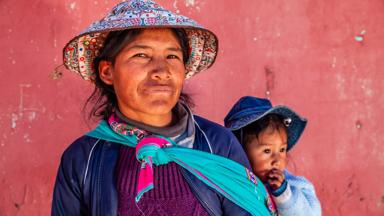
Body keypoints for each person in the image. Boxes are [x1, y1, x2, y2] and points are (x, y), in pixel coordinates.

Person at [52, 1, 276, 215]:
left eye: (172, 56)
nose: (162, 70)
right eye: (141, 55)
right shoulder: (82, 160)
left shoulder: (218, 144)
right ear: (107, 72)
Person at [224, 96, 322, 216]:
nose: (277, 160)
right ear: (240, 150)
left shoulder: (294, 185)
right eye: (267, 151)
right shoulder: (231, 183)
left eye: (282, 150)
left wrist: (284, 195)